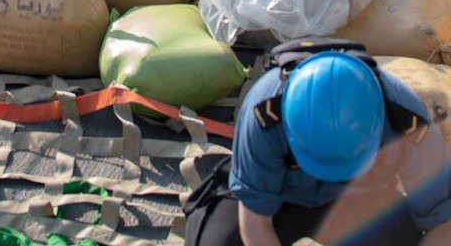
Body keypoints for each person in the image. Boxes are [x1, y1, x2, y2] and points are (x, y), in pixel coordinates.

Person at [184, 46, 451, 246]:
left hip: (359, 200)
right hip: (279, 197)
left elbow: (443, 223)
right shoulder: (263, 114)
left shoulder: (407, 121)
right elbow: (254, 223)